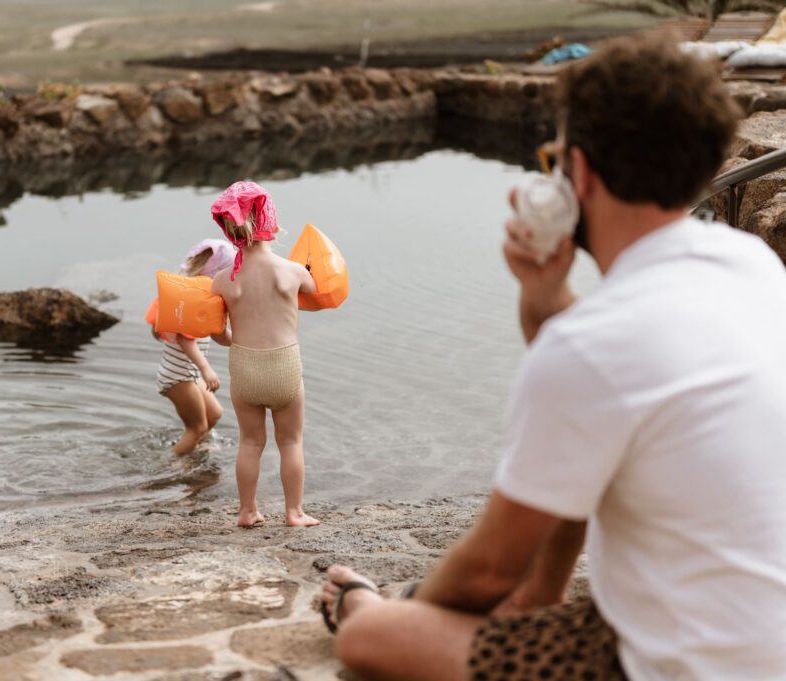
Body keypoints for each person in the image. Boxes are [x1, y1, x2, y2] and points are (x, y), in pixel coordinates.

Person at [320, 32, 786, 680]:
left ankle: (364, 602)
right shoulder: (754, 267)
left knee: (370, 638)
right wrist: (544, 293)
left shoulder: (592, 345)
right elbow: (603, 396)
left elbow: (489, 569)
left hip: (675, 662)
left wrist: (412, 612)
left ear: (581, 174)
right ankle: (535, 601)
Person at [210, 181, 321, 528]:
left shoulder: (224, 280)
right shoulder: (290, 271)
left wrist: (233, 341)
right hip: (284, 366)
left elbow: (216, 332)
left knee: (249, 442)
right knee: (290, 442)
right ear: (268, 220)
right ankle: (294, 513)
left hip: (245, 368)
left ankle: (246, 511)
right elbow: (317, 294)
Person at [153, 239, 234, 455]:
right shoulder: (191, 300)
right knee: (196, 427)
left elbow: (221, 335)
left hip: (188, 374)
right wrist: (206, 369)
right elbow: (186, 340)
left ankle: (197, 448)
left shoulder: (207, 300)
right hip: (177, 377)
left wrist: (246, 341)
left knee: (214, 414)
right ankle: (173, 466)